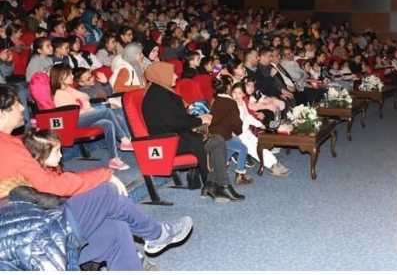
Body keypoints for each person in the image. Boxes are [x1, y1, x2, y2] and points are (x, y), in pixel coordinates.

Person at [0, 87, 194, 270]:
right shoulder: (6, 148)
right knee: (107, 192)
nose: (23, 108)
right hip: (30, 237)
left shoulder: (10, 143)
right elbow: (50, 186)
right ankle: (157, 234)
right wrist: (102, 175)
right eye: (17, 104)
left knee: (116, 229)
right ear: (2, 113)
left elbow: (45, 182)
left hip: (31, 228)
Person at [141, 62, 243, 202]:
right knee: (215, 141)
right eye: (172, 73)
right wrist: (200, 121)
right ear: (161, 75)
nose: (176, 76)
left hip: (177, 135)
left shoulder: (161, 91)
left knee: (217, 139)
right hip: (167, 142)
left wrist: (199, 118)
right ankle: (216, 185)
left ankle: (218, 185)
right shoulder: (157, 96)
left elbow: (178, 119)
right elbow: (176, 122)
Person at [209, 76, 254, 186]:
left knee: (236, 144)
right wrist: (236, 132)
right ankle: (240, 175)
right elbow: (237, 123)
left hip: (214, 134)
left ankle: (221, 167)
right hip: (224, 135)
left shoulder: (215, 101)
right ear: (228, 87)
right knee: (243, 148)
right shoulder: (230, 102)